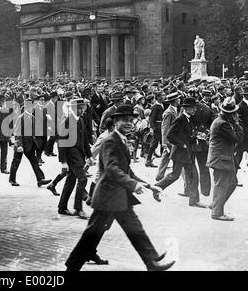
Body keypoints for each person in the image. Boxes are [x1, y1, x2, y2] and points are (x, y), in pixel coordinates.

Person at [64, 104, 173, 271]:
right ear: (115, 121)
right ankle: (72, 267)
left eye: (131, 120)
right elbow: (112, 169)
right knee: (93, 234)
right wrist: (133, 185)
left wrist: (150, 186)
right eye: (124, 120)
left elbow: (127, 171)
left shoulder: (121, 139)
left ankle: (152, 261)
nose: (129, 123)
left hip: (116, 196)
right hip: (108, 197)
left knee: (130, 229)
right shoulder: (110, 141)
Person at [153, 97, 207, 208]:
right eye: (192, 108)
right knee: (175, 175)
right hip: (180, 154)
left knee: (192, 176)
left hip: (187, 153)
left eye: (194, 108)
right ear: (186, 108)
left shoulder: (189, 119)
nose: (194, 110)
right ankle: (156, 188)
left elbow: (187, 135)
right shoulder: (180, 119)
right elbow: (170, 135)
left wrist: (196, 137)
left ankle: (194, 200)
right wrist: (182, 144)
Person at [207, 97, 243, 221]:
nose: (235, 115)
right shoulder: (223, 124)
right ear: (231, 114)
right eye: (234, 113)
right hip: (221, 158)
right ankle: (217, 213)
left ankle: (215, 205)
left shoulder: (221, 120)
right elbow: (237, 138)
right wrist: (237, 123)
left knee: (232, 182)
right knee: (221, 184)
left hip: (223, 157)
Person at [57, 98, 92, 219]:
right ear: (73, 108)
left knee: (70, 181)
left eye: (83, 107)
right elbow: (61, 141)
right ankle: (78, 208)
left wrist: (89, 155)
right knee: (83, 179)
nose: (83, 110)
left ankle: (62, 207)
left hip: (79, 156)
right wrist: (63, 162)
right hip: (71, 156)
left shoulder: (81, 120)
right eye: (80, 108)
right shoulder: (67, 121)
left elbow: (85, 140)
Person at [156, 92, 180, 181]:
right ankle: (160, 176)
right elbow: (165, 127)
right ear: (174, 101)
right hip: (170, 139)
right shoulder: (169, 112)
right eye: (178, 98)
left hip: (173, 138)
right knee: (167, 157)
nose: (179, 100)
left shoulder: (175, 110)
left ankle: (159, 176)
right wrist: (165, 142)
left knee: (166, 157)